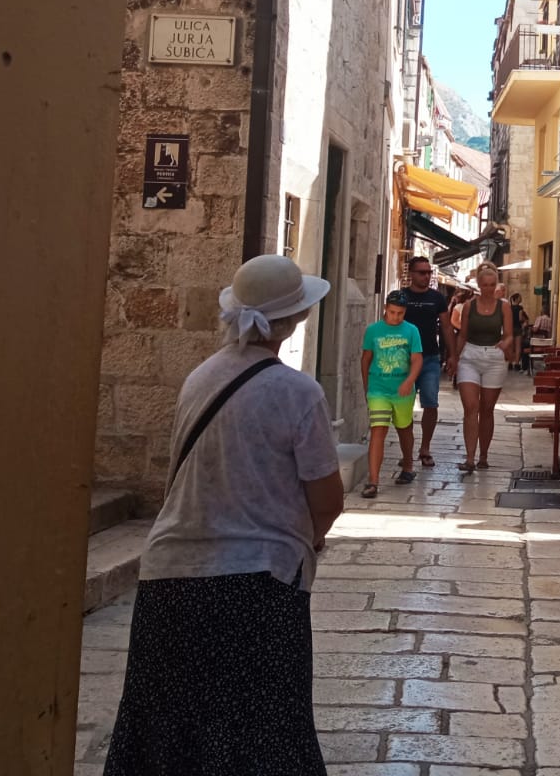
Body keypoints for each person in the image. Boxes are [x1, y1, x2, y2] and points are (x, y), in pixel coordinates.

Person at [105, 254, 343, 776]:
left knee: (171, 730)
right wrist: (311, 536)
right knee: (261, 730)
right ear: (294, 319)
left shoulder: (200, 377)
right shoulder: (298, 392)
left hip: (170, 575)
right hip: (257, 578)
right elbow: (327, 499)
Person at [448, 261, 514, 472]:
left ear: (496, 285)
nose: (488, 288)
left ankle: (483, 455)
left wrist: (505, 344)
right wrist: (454, 357)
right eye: (485, 285)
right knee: (471, 407)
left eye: (492, 284)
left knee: (487, 409)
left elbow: (509, 334)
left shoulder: (504, 306)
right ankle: (469, 458)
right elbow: (463, 335)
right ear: (479, 285)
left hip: (494, 358)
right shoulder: (469, 306)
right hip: (471, 355)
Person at [359, 289, 422, 497]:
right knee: (378, 430)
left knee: (404, 429)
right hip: (378, 389)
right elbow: (366, 359)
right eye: (393, 312)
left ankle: (408, 465)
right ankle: (373, 481)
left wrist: (409, 381)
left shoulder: (411, 331)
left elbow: (417, 359)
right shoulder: (373, 331)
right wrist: (367, 386)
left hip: (403, 391)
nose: (396, 317)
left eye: (400, 313)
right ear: (385, 308)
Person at [400, 256, 451, 469]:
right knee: (404, 406)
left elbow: (446, 327)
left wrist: (452, 355)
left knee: (430, 402)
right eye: (422, 272)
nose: (426, 276)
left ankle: (425, 448)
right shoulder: (401, 296)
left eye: (429, 272)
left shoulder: (437, 298)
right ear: (411, 274)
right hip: (404, 359)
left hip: (430, 357)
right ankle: (407, 450)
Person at [508, 292, 531, 371]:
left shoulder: (509, 307)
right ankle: (517, 364)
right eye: (520, 297)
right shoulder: (520, 308)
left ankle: (510, 363)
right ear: (517, 299)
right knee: (518, 347)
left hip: (510, 328)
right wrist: (524, 321)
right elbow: (520, 318)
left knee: (511, 347)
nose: (521, 299)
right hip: (518, 328)